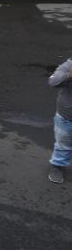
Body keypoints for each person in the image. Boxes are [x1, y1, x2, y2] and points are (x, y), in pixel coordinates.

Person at [47, 56, 72, 184]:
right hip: (67, 117)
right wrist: (68, 75)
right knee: (63, 145)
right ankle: (57, 166)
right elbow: (52, 81)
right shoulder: (67, 66)